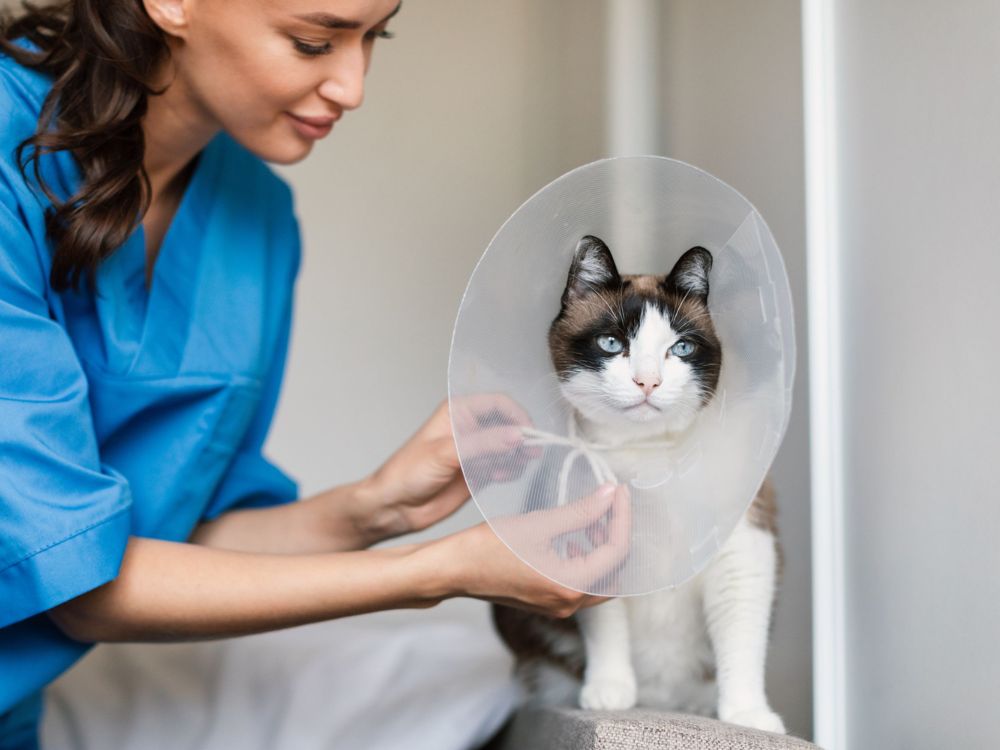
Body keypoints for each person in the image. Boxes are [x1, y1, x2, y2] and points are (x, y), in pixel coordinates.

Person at [0, 1, 633, 747]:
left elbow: (184, 554)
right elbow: (81, 582)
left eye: (374, 37)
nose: (352, 85)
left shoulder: (257, 216)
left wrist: (376, 509)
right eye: (314, 41)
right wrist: (436, 570)